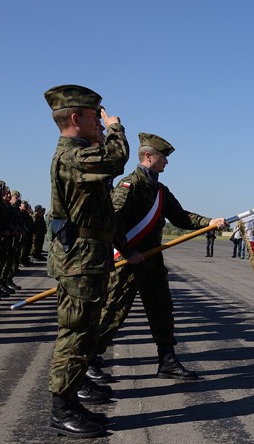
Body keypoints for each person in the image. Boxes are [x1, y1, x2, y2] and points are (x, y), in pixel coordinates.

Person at [43, 84, 139, 437]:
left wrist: (124, 248)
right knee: (76, 333)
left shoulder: (82, 155)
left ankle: (72, 397)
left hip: (89, 259)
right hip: (79, 262)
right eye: (95, 117)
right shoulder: (73, 156)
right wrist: (117, 128)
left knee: (84, 333)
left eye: (103, 119)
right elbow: (116, 157)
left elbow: (100, 217)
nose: (101, 123)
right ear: (74, 117)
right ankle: (61, 407)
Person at [95, 133, 226, 382]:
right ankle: (89, 358)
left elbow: (181, 217)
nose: (166, 162)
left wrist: (209, 222)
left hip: (152, 262)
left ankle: (167, 361)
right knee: (113, 313)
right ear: (148, 156)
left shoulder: (160, 190)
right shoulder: (129, 185)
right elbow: (111, 222)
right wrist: (126, 252)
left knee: (162, 311)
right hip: (128, 263)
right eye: (163, 157)